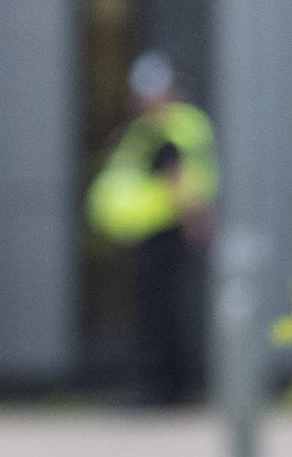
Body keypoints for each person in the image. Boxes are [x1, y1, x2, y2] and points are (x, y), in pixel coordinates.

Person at [87, 51, 216, 406]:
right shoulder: (171, 126)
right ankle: (168, 387)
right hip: (158, 232)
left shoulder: (165, 129)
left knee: (161, 316)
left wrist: (194, 223)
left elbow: (179, 183)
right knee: (165, 313)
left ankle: (160, 389)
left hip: (164, 234)